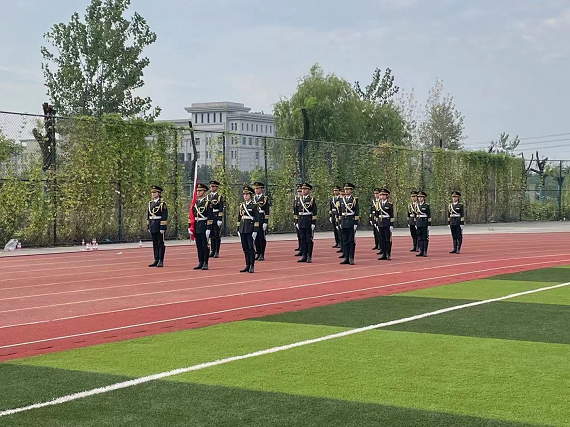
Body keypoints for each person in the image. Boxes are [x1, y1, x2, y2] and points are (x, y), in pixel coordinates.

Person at [189, 183, 213, 270]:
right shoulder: (195, 203)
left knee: (204, 245)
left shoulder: (208, 203)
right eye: (197, 191)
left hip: (204, 226)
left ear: (204, 191)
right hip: (197, 226)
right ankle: (200, 262)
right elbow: (191, 216)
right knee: (198, 245)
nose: (198, 192)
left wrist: (208, 229)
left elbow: (210, 217)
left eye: (200, 191)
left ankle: (205, 263)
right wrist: (190, 226)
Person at [238, 186, 260, 273]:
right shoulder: (242, 205)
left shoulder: (254, 206)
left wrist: (255, 230)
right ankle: (247, 265)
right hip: (243, 228)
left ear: (250, 195)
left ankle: (252, 265)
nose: (245, 196)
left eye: (247, 194)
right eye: (244, 194)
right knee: (245, 248)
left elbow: (257, 219)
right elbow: (239, 218)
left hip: (250, 229)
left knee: (251, 248)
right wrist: (238, 229)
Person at [294, 182, 317, 263]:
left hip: (308, 221)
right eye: (302, 189)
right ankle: (304, 255)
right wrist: (296, 222)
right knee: (302, 239)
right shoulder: (298, 200)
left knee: (308, 239)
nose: (303, 191)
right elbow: (296, 212)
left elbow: (314, 212)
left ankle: (309, 256)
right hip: (301, 221)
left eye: (305, 189)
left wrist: (313, 223)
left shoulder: (311, 200)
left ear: (308, 190)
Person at [338, 183, 359, 265]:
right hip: (344, 221)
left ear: (351, 190)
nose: (346, 191)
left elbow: (356, 212)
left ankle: (351, 257)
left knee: (351, 241)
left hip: (351, 221)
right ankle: (346, 257)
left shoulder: (354, 200)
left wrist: (355, 223)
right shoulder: (341, 200)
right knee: (345, 240)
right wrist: (340, 222)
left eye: (348, 189)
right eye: (345, 189)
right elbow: (340, 212)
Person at [147, 185, 168, 267]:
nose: (153, 194)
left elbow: (164, 215)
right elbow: (148, 215)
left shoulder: (162, 204)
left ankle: (160, 260)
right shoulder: (150, 203)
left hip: (159, 224)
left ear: (159, 193)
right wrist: (148, 225)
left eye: (155, 192)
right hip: (153, 224)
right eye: (152, 192)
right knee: (154, 243)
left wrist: (163, 227)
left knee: (160, 243)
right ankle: (156, 259)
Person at [253, 182, 271, 261]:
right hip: (255, 220)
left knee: (261, 238)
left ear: (261, 189)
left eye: (258, 188)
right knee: (256, 238)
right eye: (255, 188)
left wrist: (265, 222)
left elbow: (267, 211)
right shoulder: (253, 198)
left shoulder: (265, 198)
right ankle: (258, 252)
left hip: (261, 219)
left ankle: (262, 254)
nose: (256, 190)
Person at [376, 188, 394, 261]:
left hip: (387, 223)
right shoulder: (378, 204)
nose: (382, 196)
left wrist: (391, 225)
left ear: (387, 196)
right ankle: (383, 253)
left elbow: (392, 216)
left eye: (384, 195)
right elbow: (377, 215)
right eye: (381, 195)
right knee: (381, 239)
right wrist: (377, 224)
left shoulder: (389, 205)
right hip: (380, 223)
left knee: (387, 239)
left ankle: (388, 253)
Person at [207, 180, 224, 258]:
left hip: (216, 216)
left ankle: (217, 251)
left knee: (217, 235)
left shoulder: (219, 197)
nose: (211, 188)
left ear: (217, 187)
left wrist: (219, 219)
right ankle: (212, 250)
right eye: (211, 186)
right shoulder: (208, 197)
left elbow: (221, 208)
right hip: (210, 217)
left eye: (213, 186)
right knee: (211, 235)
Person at [415, 190, 431, 257]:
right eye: (419, 197)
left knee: (425, 238)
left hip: (424, 223)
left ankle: (425, 251)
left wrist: (429, 225)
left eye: (421, 197)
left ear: (424, 198)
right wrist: (416, 223)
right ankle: (421, 251)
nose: (420, 198)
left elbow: (429, 216)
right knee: (420, 238)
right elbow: (416, 215)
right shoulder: (416, 205)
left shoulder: (426, 206)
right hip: (418, 223)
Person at [294, 184, 303, 255]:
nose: (299, 193)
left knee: (303, 236)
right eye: (298, 191)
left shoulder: (305, 200)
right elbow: (295, 212)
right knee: (299, 235)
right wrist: (295, 221)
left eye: (300, 191)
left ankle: (303, 249)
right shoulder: (296, 199)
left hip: (304, 220)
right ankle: (300, 247)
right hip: (299, 219)